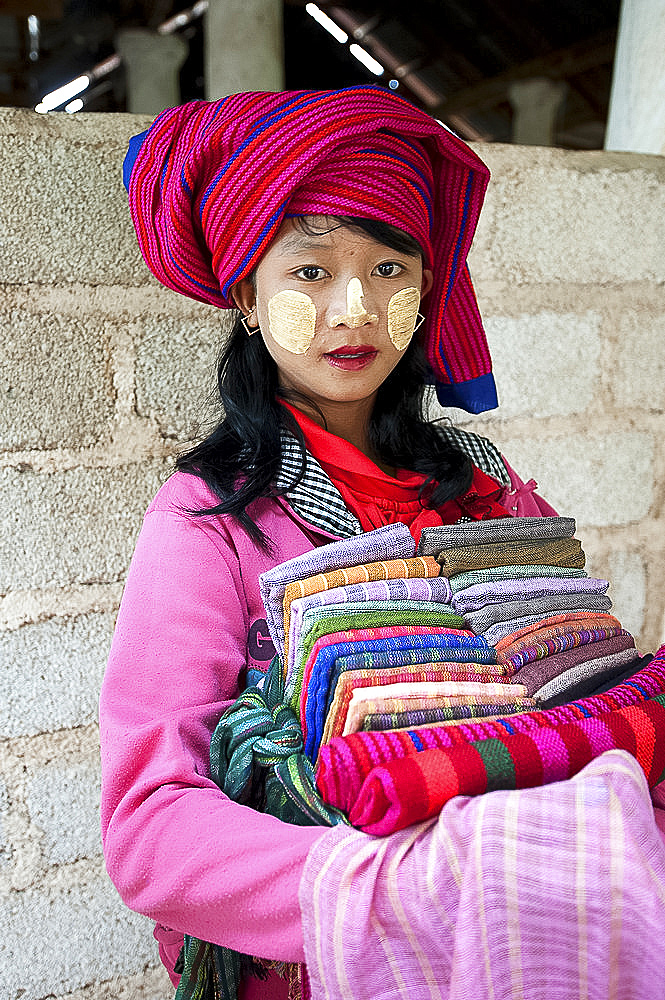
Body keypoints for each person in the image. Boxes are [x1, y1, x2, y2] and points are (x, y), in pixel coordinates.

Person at [99, 85, 651, 1000]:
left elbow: (579, 695)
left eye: (389, 268)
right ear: (245, 291)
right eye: (309, 272)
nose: (353, 309)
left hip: (538, 942)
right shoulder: (210, 522)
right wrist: (395, 889)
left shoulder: (488, 485)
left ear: (426, 283)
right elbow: (150, 828)